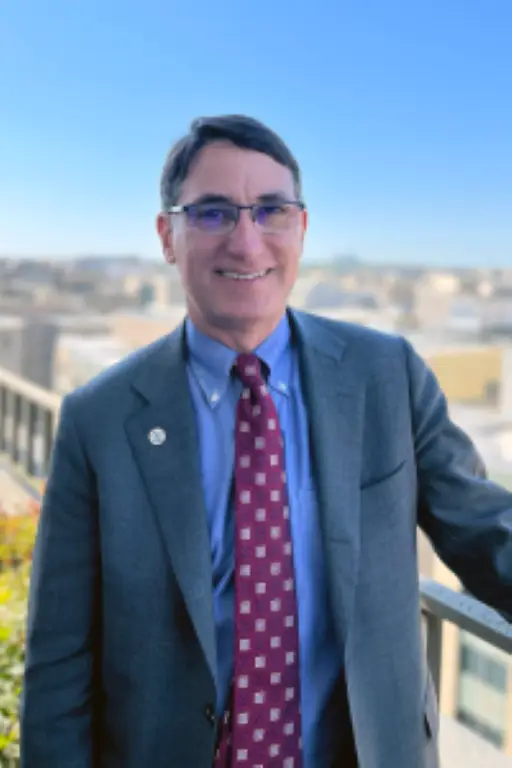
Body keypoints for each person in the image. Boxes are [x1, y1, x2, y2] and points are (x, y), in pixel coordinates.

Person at [20, 114, 512, 768]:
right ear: (167, 236)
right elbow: (59, 665)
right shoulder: (99, 420)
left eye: (272, 211)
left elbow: (487, 530)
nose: (247, 243)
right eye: (214, 213)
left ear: (302, 228)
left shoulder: (386, 376)